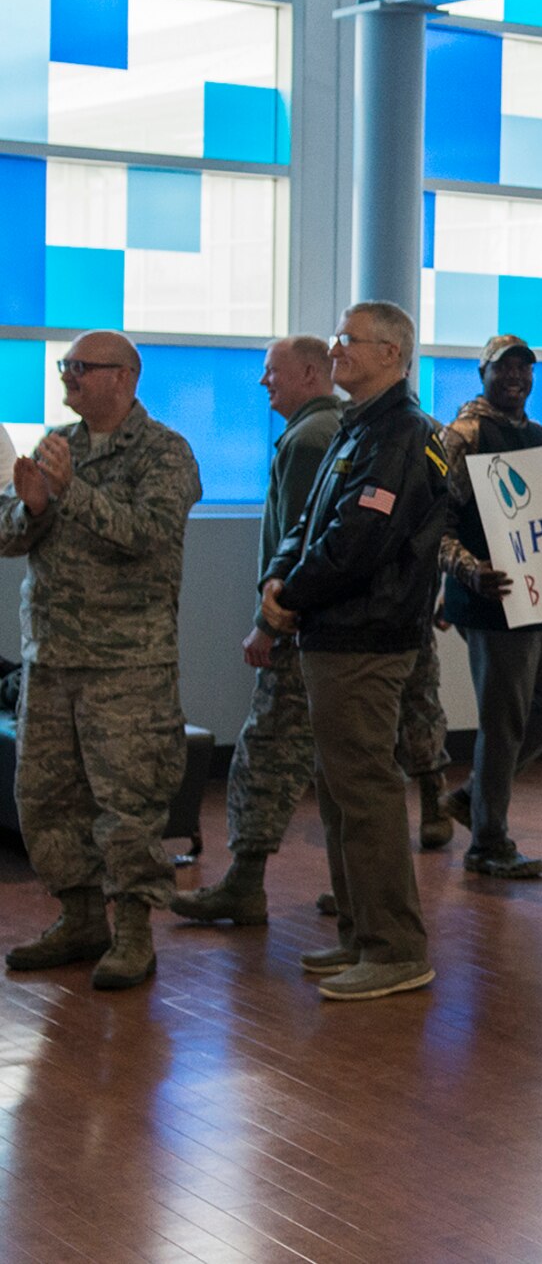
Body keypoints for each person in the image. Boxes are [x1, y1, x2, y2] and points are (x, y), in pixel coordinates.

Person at [0, 330, 202, 990]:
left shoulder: (165, 452)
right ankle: (82, 918)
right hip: (51, 657)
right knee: (46, 797)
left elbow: (148, 534)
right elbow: (11, 534)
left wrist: (71, 493)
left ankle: (135, 935)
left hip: (126, 664)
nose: (68, 378)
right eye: (65, 367)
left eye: (81, 368)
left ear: (124, 377)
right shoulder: (60, 444)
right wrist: (30, 506)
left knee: (127, 801)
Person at [262, 300, 449, 1002]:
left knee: (365, 793)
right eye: (338, 337)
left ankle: (395, 947)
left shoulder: (400, 434)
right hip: (332, 631)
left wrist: (295, 595)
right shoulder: (355, 429)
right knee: (342, 794)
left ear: (393, 356)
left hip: (366, 637)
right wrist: (277, 579)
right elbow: (309, 521)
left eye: (350, 340)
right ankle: (358, 933)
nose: (336, 348)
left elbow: (358, 544)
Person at [170, 337, 345, 926]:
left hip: (299, 630)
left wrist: (269, 624)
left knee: (265, 755)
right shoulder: (341, 429)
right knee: (344, 760)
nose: (263, 383)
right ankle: (356, 888)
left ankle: (244, 885)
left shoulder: (309, 439)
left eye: (272, 372)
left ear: (307, 372)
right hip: (338, 632)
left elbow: (302, 545)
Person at [433, 334, 542, 879]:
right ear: (484, 373)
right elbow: (434, 525)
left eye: (525, 368)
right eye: (504, 368)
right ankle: (488, 842)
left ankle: (475, 798)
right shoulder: (463, 436)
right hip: (492, 603)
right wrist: (468, 572)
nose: (516, 376)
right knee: (504, 725)